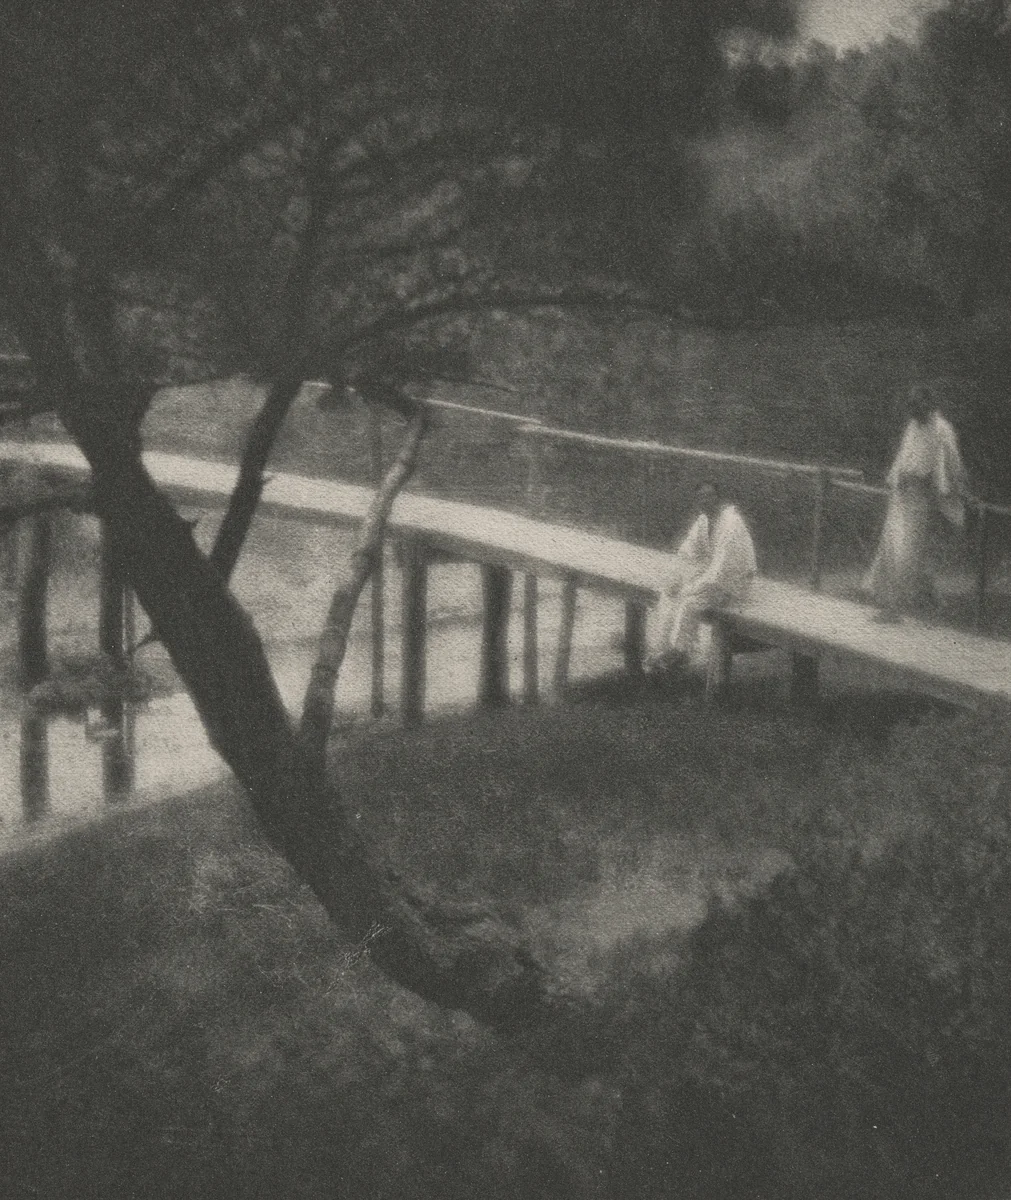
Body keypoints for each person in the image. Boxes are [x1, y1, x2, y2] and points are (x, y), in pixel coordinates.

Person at [864, 385, 968, 621]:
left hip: (921, 500)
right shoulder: (913, 426)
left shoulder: (942, 429)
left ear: (928, 405)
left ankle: (895, 610)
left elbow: (951, 466)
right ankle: (919, 602)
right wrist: (897, 478)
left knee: (906, 553)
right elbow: (903, 457)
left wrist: (951, 492)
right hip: (901, 498)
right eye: (910, 404)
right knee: (892, 551)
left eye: (917, 404)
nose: (912, 410)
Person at [647, 481, 757, 673]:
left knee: (690, 601)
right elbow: (686, 552)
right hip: (715, 576)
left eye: (710, 496)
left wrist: (690, 587)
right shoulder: (703, 521)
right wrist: (675, 579)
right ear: (697, 501)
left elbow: (721, 569)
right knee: (670, 593)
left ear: (718, 498)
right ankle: (663, 648)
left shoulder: (731, 523)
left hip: (734, 581)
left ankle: (681, 651)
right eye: (701, 497)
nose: (706, 501)